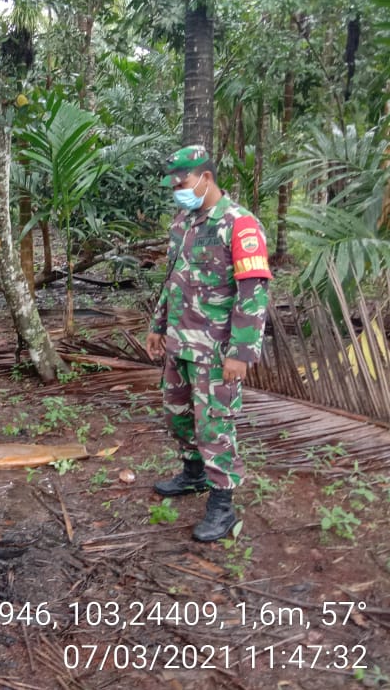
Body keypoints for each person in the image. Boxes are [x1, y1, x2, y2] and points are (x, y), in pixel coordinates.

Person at [145, 146, 272, 542]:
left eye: (182, 184)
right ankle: (194, 473)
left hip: (216, 350)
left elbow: (253, 292)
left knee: (214, 425)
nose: (177, 192)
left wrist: (241, 352)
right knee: (178, 414)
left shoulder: (240, 224)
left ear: (206, 178)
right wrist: (158, 324)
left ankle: (222, 502)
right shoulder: (183, 221)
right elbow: (173, 278)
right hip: (180, 342)